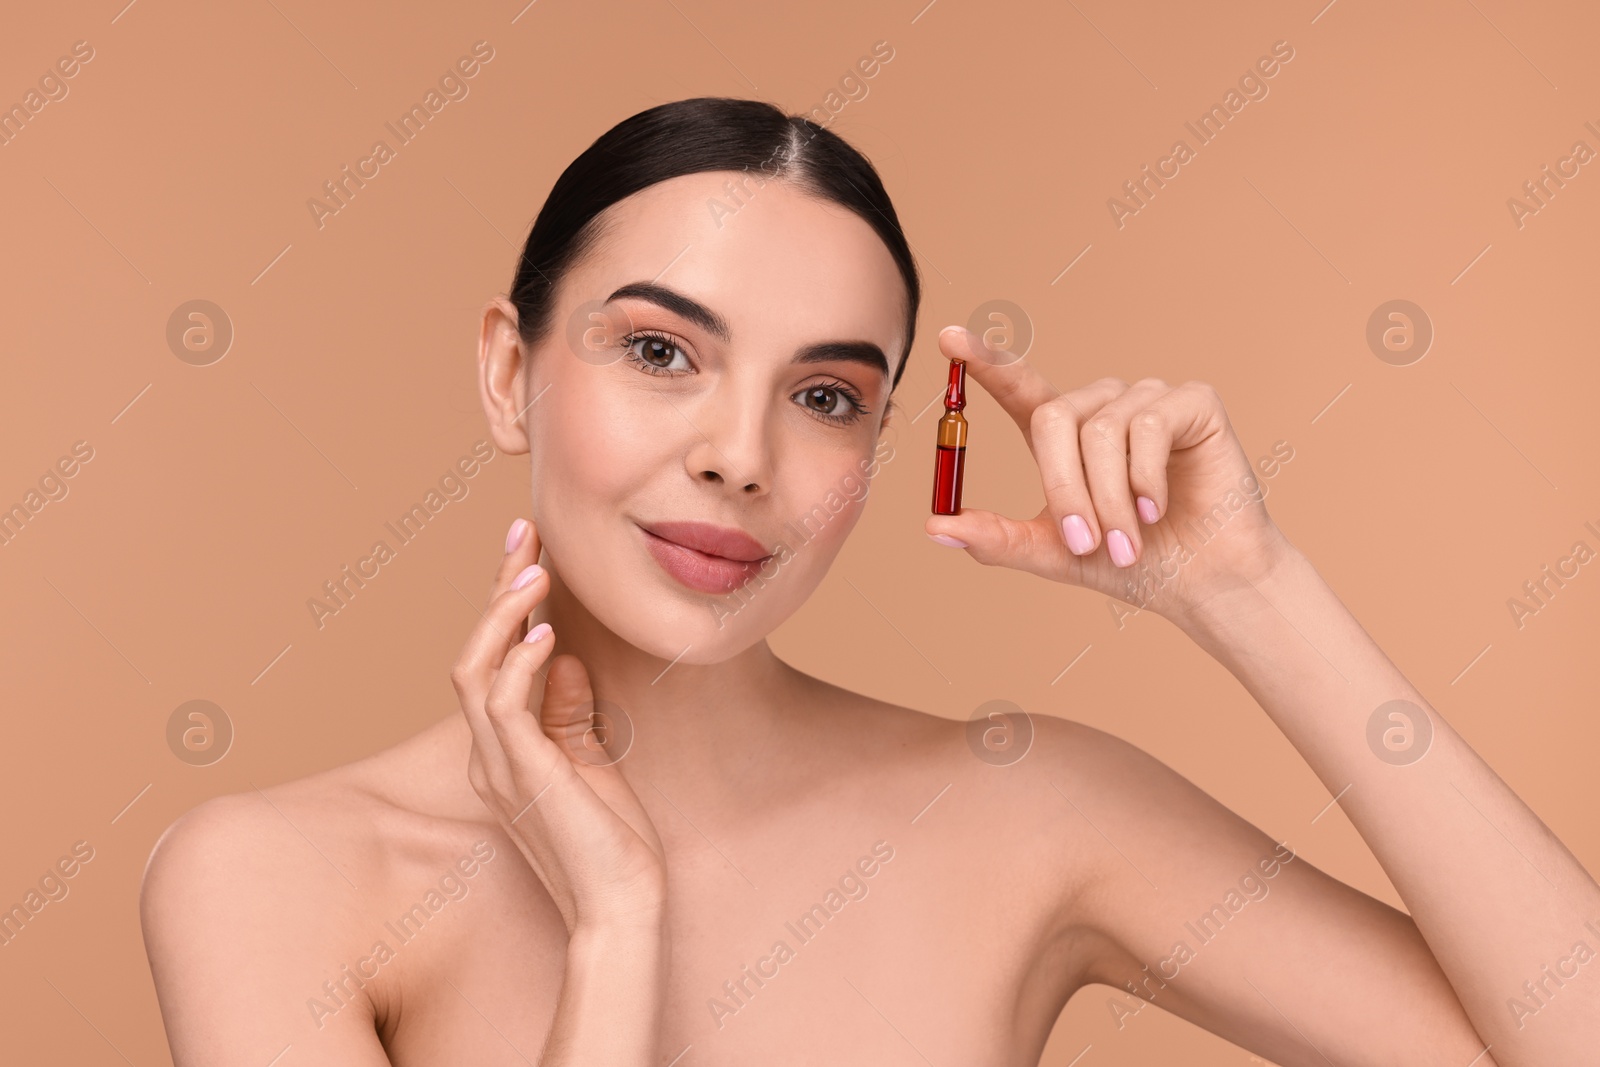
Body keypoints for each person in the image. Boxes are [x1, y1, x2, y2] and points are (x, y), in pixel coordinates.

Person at [139, 96, 1597, 1066]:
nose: (740, 457)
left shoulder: (1031, 809)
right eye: (661, 352)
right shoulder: (280, 880)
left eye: (825, 396)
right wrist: (617, 925)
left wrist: (1247, 589)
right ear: (510, 373)